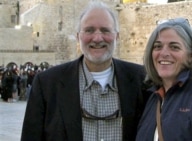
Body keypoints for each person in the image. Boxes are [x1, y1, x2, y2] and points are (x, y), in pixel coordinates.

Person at [21, 1, 149, 141]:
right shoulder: (47, 84)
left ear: (117, 36)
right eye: (89, 30)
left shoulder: (142, 80)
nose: (97, 38)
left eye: (105, 30)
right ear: (78, 36)